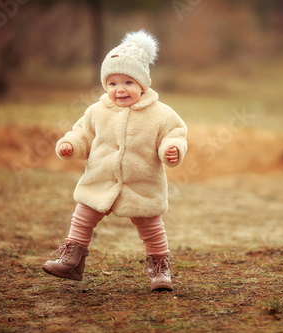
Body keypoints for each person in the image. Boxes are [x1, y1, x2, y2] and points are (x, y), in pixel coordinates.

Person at [42, 30, 187, 292]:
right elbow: (82, 135)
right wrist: (69, 145)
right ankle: (72, 259)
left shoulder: (161, 114)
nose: (120, 89)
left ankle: (160, 269)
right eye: (112, 83)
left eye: (128, 83)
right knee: (83, 216)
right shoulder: (97, 111)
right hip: (101, 179)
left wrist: (172, 148)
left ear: (143, 84)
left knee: (151, 228)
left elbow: (174, 134)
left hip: (141, 184)